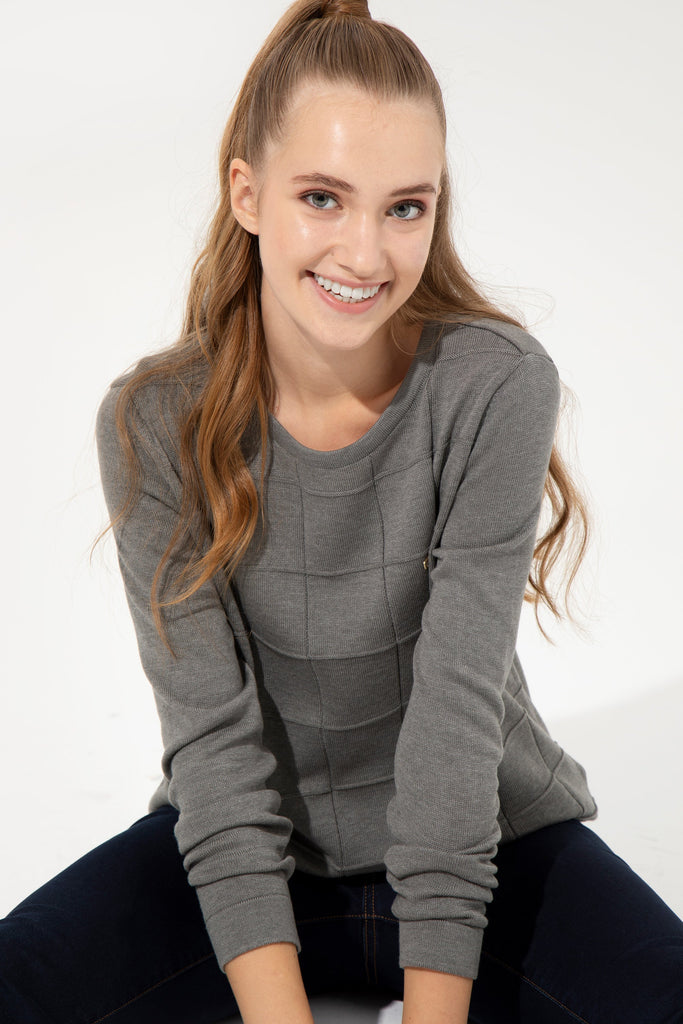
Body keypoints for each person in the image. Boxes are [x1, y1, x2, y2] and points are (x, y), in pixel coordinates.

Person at [1, 1, 681, 1021]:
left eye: (405, 207)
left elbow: (453, 725)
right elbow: (213, 751)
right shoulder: (152, 420)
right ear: (246, 193)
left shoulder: (492, 386)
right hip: (252, 861)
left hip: (486, 846)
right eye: (322, 197)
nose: (364, 254)